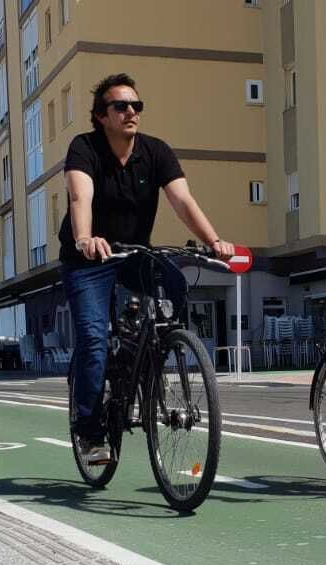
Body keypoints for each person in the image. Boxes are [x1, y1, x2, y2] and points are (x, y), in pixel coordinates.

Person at [61, 73, 235, 465]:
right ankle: (90, 432)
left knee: (175, 283)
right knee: (92, 340)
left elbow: (182, 201)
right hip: (89, 260)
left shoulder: (156, 152)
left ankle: (152, 357)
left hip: (135, 253)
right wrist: (85, 238)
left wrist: (213, 241)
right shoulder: (84, 147)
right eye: (120, 106)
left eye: (136, 106)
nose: (130, 112)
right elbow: (79, 195)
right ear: (100, 115)